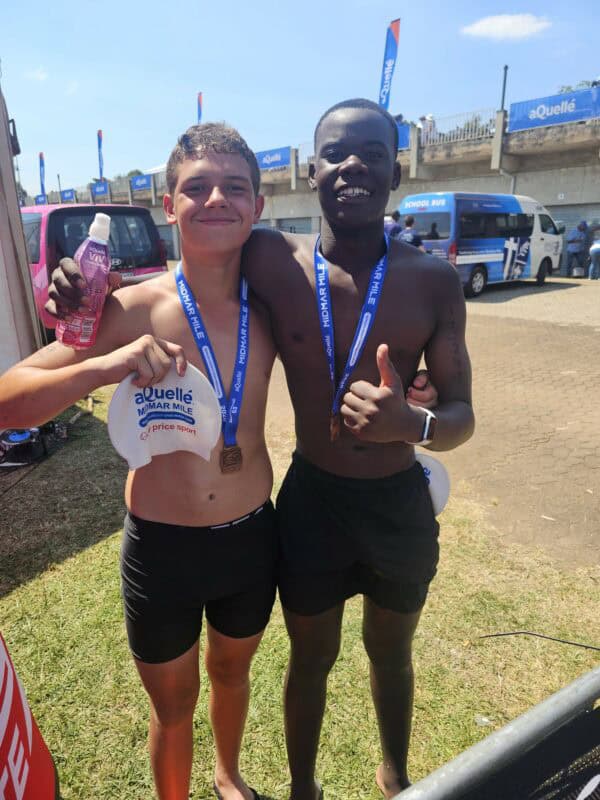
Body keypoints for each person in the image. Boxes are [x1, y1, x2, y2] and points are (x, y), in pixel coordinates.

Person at [45, 99, 469, 799]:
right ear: (313, 170)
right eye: (336, 153)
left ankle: (396, 775)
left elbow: (461, 414)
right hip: (310, 502)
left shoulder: (433, 281)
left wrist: (412, 424)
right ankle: (302, 790)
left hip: (397, 501)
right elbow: (198, 261)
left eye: (372, 152)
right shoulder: (273, 259)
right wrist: (79, 293)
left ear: (398, 169)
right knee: (310, 658)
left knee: (390, 652)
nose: (353, 165)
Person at [0, 123, 280, 800]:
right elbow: (10, 403)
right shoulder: (130, 307)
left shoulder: (278, 303)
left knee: (235, 676)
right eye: (197, 187)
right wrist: (105, 364)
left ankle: (228, 775)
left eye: (234, 187)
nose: (217, 199)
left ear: (259, 205)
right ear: (168, 204)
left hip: (252, 536)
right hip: (163, 550)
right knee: (173, 707)